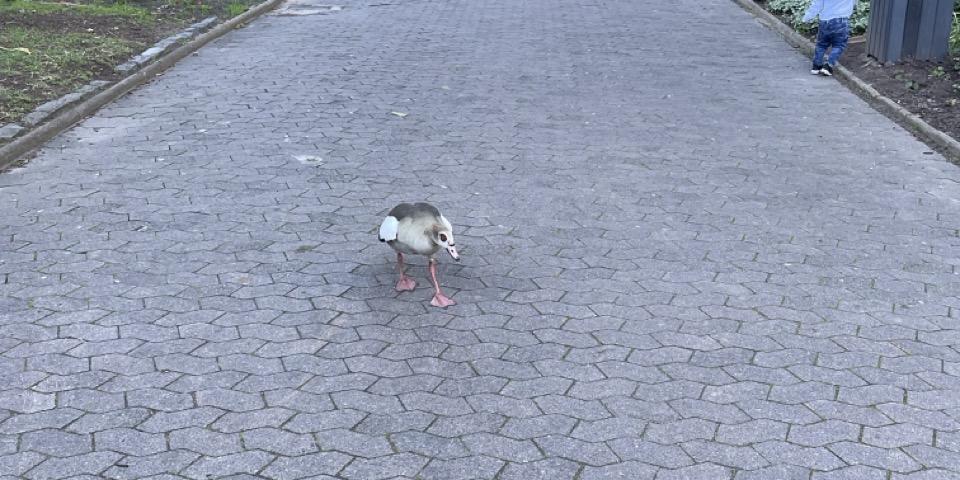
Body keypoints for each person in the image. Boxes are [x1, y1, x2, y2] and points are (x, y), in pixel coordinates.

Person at [803, 0, 856, 76]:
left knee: (821, 45)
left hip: (824, 21)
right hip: (841, 21)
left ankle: (816, 66)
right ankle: (828, 66)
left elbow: (817, 4)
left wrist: (807, 17)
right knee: (839, 45)